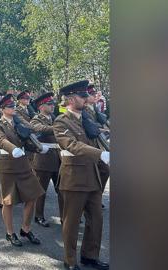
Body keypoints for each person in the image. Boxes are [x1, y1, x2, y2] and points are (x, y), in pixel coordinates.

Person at [53, 80, 110, 270]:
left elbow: (97, 135)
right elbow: (71, 145)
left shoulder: (87, 119)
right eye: (82, 96)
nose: (86, 99)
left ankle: (89, 256)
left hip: (92, 176)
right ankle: (70, 260)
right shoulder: (61, 122)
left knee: (96, 219)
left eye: (86, 96)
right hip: (74, 178)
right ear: (70, 99)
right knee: (72, 221)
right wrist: (100, 153)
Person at [0, 94, 45, 247]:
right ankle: (10, 233)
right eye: (9, 106)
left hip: (23, 163)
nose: (13, 108)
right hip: (8, 164)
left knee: (33, 195)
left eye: (13, 105)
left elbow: (30, 132)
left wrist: (38, 146)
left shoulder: (18, 121)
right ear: (3, 109)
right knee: (8, 202)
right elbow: (0, 140)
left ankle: (25, 229)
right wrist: (13, 149)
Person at [30, 92, 63, 227]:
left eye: (52, 103)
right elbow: (39, 129)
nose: (52, 106)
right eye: (49, 104)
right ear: (41, 106)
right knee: (41, 190)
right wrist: (58, 128)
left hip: (57, 158)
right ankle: (38, 216)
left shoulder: (54, 118)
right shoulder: (36, 119)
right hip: (43, 160)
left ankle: (65, 215)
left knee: (61, 189)